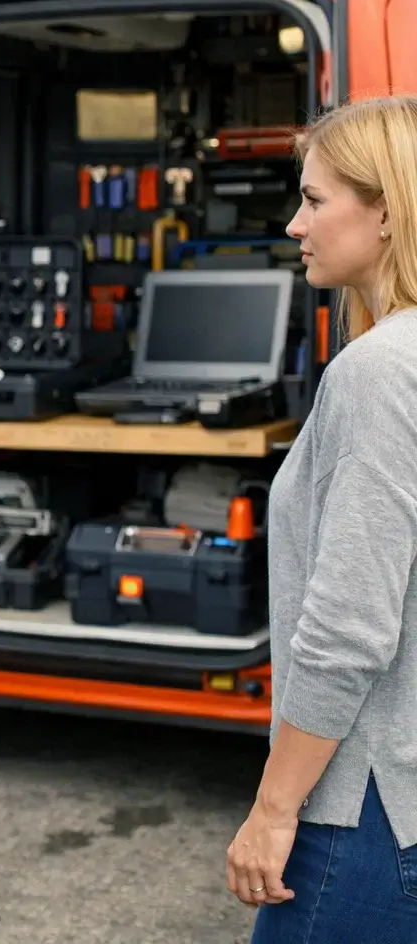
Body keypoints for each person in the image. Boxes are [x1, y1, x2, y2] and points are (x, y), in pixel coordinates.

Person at [225, 94, 417, 942]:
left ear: (387, 210)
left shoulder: (379, 372)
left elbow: (349, 629)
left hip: (366, 808)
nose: (294, 224)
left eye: (313, 199)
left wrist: (274, 808)